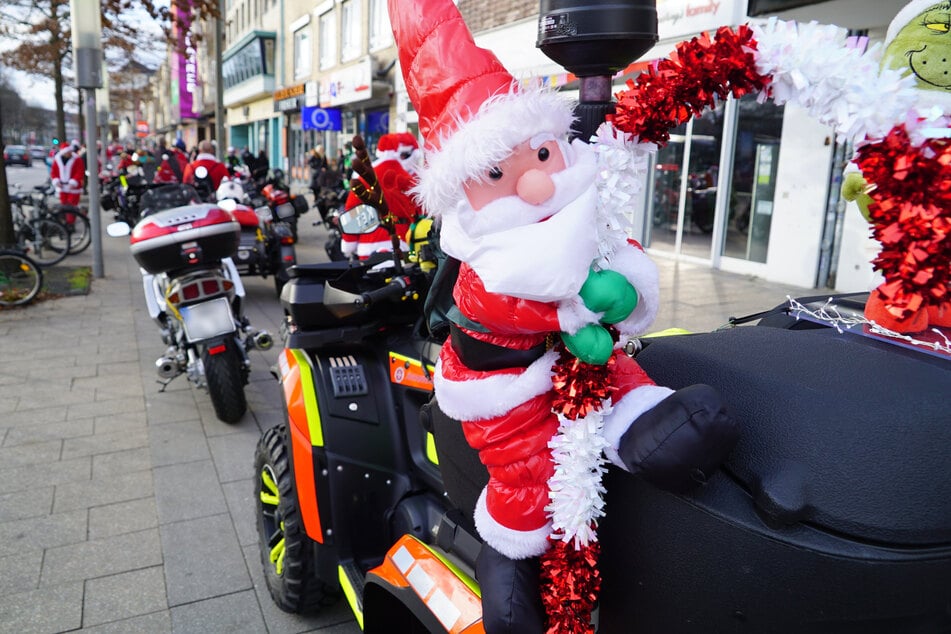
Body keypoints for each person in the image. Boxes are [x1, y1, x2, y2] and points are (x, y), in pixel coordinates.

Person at [387, 0, 738, 631]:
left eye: (543, 157)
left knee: (625, 387)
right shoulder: (485, 259)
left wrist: (625, 291)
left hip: (578, 362)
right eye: (499, 173)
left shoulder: (579, 208)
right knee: (527, 478)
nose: (537, 186)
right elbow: (505, 303)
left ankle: (651, 432)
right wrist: (578, 304)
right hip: (506, 390)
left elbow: (616, 256)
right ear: (464, 194)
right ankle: (509, 564)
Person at [340, 133, 422, 259]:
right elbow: (420, 214)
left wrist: (348, 243)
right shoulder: (409, 180)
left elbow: (352, 212)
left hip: (369, 245)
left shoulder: (364, 177)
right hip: (403, 245)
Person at [49, 141, 85, 208]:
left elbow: (80, 172)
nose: (70, 153)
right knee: (63, 205)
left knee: (72, 206)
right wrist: (56, 181)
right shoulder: (57, 160)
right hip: (62, 187)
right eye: (68, 152)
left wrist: (74, 182)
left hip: (74, 188)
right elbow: (53, 172)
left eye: (70, 151)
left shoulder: (77, 159)